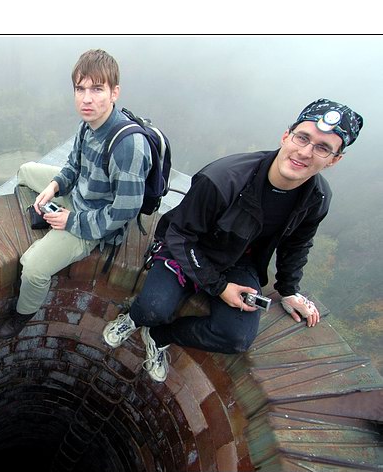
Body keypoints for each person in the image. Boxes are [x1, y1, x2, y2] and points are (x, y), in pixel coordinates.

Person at [102, 98, 364, 383]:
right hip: (189, 249)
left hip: (239, 262)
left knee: (235, 338)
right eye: (302, 138)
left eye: (322, 148)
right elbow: (180, 235)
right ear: (286, 135)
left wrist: (288, 290)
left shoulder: (316, 198)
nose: (305, 152)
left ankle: (158, 335)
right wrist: (219, 287)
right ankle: (135, 318)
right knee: (152, 308)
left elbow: (298, 244)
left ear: (334, 160)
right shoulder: (224, 179)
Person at [0, 49, 151, 338]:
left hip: (93, 223)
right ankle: (42, 212)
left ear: (114, 93)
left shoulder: (128, 147)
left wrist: (71, 221)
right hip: (79, 193)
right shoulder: (89, 124)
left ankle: (23, 314)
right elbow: (73, 166)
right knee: (25, 171)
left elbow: (123, 212)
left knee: (33, 268)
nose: (86, 99)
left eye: (97, 89)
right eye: (80, 89)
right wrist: (54, 186)